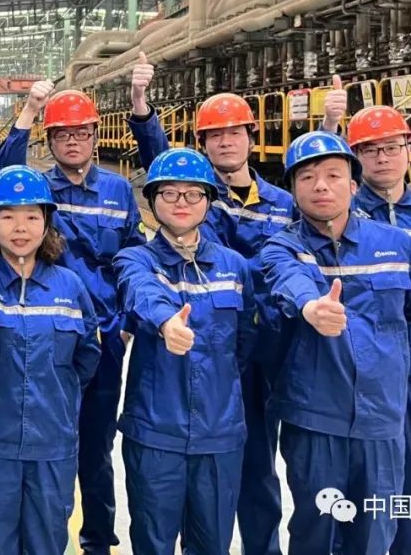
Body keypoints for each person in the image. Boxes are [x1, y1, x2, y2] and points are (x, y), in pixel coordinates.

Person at [126, 52, 294, 555]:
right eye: (214, 134)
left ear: (250, 137)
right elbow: (161, 162)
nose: (225, 141)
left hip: (246, 349)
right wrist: (140, 106)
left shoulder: (281, 204)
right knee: (163, 519)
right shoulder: (198, 192)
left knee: (257, 469)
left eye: (234, 132)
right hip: (195, 352)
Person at [260, 131, 411, 555]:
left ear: (354, 185)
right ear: (293, 190)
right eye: (307, 178)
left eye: (333, 175)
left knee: (373, 534)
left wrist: (396, 380)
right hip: (315, 418)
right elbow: (288, 279)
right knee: (315, 531)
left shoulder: (396, 245)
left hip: (381, 420)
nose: (321, 186)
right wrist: (312, 307)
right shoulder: (283, 247)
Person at [0, 84, 143, 554]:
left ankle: (98, 539)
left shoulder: (118, 190)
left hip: (105, 333)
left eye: (80, 133)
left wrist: (126, 321)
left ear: (95, 135)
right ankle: (38, 533)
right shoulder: (39, 190)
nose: (72, 141)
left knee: (96, 446)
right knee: (46, 438)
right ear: (49, 140)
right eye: (61, 134)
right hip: (48, 332)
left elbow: (134, 257)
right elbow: (3, 170)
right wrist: (29, 111)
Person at [326, 104, 411, 555]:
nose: (382, 157)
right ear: (355, 157)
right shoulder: (341, 215)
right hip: (360, 374)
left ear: (409, 147)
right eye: (370, 150)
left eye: (391, 147)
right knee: (358, 487)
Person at [0, 165, 100, 555]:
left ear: (47, 223)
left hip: (52, 445)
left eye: (32, 216)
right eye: (8, 216)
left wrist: (57, 398)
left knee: (47, 543)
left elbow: (87, 355)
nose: (20, 227)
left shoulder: (70, 286)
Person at [113, 147, 255, 555]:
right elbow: (140, 290)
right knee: (153, 543)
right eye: (169, 193)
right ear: (152, 199)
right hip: (156, 433)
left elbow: (246, 341)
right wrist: (166, 322)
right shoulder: (135, 259)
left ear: (208, 201)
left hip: (219, 434)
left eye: (193, 193)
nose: (181, 202)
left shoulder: (234, 266)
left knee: (213, 544)